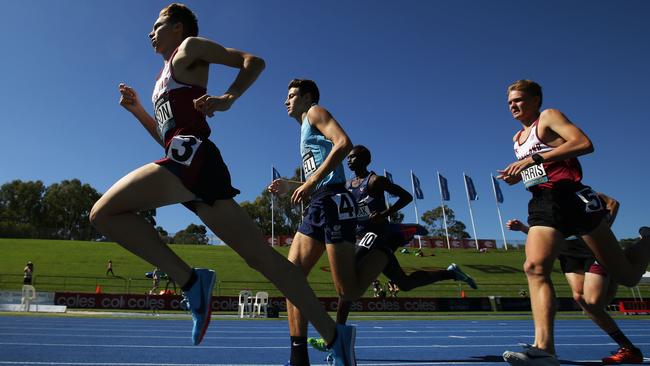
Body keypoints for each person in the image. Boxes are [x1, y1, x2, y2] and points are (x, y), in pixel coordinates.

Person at [89, 5, 355, 363]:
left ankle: (191, 281)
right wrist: (138, 110)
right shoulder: (161, 80)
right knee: (264, 260)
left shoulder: (190, 47)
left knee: (103, 214)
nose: (150, 32)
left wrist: (228, 98)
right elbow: (166, 139)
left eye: (157, 26)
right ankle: (336, 336)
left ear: (177, 27)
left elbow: (252, 61)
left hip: (193, 159)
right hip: (189, 162)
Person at [497, 79, 650, 365]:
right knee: (534, 267)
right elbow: (541, 169)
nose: (513, 106)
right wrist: (518, 176)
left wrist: (534, 160)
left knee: (627, 277)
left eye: (518, 100)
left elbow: (584, 144)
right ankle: (545, 348)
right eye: (509, 103)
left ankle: (647, 242)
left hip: (573, 200)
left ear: (535, 100)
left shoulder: (549, 117)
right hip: (544, 202)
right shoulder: (517, 139)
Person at [307, 144, 477, 355]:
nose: (348, 161)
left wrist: (385, 213)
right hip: (357, 234)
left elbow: (406, 197)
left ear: (364, 160)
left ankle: (334, 338)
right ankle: (451, 273)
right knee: (404, 284)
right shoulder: (347, 184)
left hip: (377, 234)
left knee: (347, 276)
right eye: (348, 158)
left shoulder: (376, 181)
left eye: (352, 157)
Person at [269, 80, 384, 366]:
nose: (286, 101)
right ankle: (298, 359)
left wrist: (310, 181)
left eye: (292, 95)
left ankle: (385, 248)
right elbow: (321, 176)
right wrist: (293, 185)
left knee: (347, 290)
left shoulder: (315, 112)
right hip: (319, 201)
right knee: (290, 277)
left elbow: (344, 143)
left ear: (307, 97)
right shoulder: (302, 129)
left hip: (333, 202)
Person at [506, 192, 643, 364]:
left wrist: (604, 227)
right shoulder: (542, 199)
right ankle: (629, 349)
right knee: (583, 301)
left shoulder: (571, 187)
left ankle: (642, 245)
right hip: (567, 254)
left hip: (590, 250)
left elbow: (613, 202)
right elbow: (547, 232)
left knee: (594, 302)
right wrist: (523, 229)